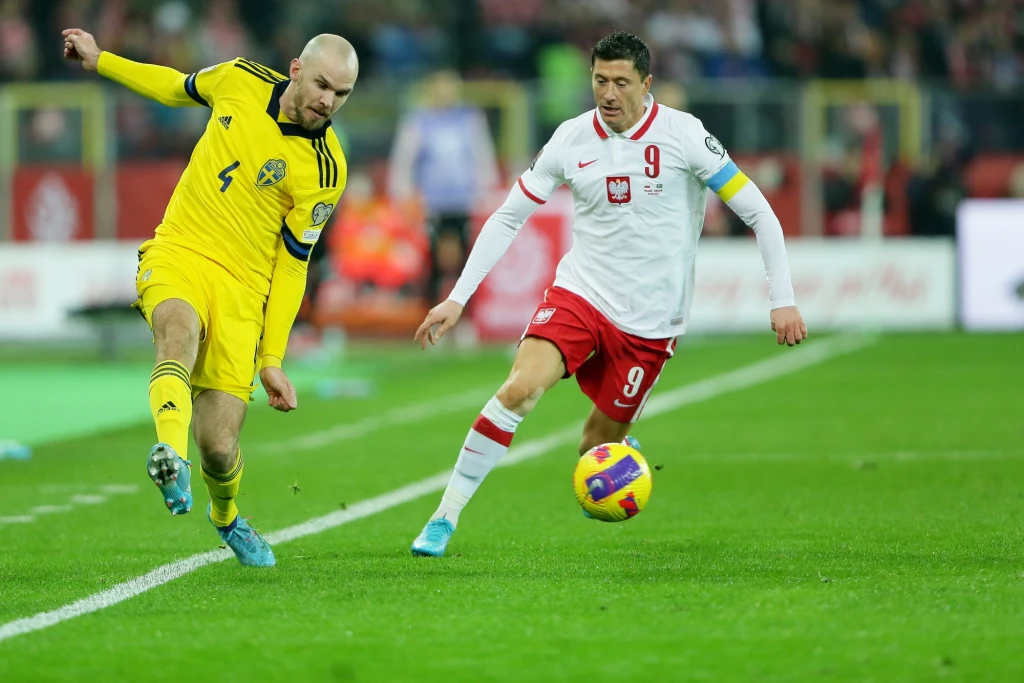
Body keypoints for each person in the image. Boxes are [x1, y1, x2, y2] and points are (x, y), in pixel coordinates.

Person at [409, 32, 806, 557]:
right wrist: (458, 297)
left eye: (621, 82)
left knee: (595, 450)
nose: (609, 93)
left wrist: (782, 297)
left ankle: (619, 450)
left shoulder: (683, 135)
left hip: (651, 323)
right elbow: (509, 216)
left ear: (647, 84)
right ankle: (444, 518)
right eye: (600, 80)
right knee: (520, 389)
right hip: (582, 293)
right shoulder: (571, 139)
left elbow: (759, 213)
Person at [62, 28, 357, 566]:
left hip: (245, 289)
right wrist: (101, 59)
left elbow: (293, 268)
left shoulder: (326, 167)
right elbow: (175, 87)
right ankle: (169, 456)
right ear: (295, 69)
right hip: (179, 250)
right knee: (177, 333)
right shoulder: (239, 78)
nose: (327, 101)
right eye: (321, 85)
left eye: (341, 94)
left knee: (220, 450)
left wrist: (272, 359)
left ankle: (225, 516)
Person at [387, 69, 500, 303]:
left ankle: (466, 315)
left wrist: (486, 189)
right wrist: (401, 192)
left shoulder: (468, 118)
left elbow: (481, 154)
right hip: (432, 202)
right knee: (431, 261)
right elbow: (404, 160)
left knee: (468, 261)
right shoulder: (419, 121)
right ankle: (429, 310)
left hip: (463, 200)